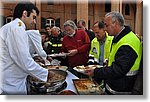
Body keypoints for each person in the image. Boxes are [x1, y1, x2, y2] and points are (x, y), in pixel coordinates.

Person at [85, 11, 142, 95]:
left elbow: (118, 69)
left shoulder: (127, 42)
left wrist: (96, 72)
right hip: (115, 85)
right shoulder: (119, 38)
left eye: (106, 25)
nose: (104, 29)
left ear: (116, 24)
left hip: (122, 89)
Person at [0, 2, 49, 94]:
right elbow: (24, 61)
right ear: (25, 14)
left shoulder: (14, 27)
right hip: (10, 84)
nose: (34, 22)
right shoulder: (16, 28)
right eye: (34, 17)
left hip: (12, 80)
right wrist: (46, 74)